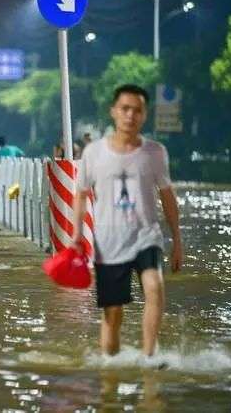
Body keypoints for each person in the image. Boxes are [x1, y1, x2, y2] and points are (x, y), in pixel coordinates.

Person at [71, 84, 183, 359]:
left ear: (145, 115)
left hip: (147, 235)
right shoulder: (94, 153)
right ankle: (110, 369)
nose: (130, 115)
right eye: (125, 109)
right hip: (109, 242)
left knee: (155, 288)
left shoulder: (156, 152)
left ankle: (149, 355)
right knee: (113, 314)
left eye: (137, 110)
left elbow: (167, 195)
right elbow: (81, 194)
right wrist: (76, 236)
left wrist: (177, 240)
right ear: (114, 112)